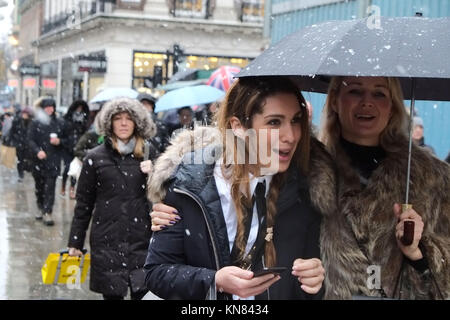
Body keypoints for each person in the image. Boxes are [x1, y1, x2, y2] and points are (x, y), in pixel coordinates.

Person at [144, 76, 327, 300]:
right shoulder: (190, 184)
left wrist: (314, 281)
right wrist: (214, 281)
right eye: (274, 122)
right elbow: (157, 272)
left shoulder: (304, 191)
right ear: (238, 127)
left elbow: (301, 289)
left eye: (296, 120)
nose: (291, 136)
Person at [318, 76, 449, 299]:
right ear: (334, 101)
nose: (367, 102)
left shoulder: (432, 179)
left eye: (379, 93)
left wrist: (417, 252)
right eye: (355, 91)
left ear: (392, 107)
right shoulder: (309, 171)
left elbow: (443, 283)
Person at [67, 97, 156, 300]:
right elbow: (84, 204)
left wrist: (156, 173)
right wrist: (75, 241)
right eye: (118, 118)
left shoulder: (150, 155)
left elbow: (166, 198)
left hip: (142, 239)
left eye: (128, 118)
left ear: (137, 123)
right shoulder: (94, 158)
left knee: (143, 292)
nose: (123, 123)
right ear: (109, 123)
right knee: (112, 294)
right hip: (107, 239)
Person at [27, 98, 65, 226]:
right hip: (38, 161)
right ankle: (40, 206)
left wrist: (59, 141)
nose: (50, 109)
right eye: (47, 107)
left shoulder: (59, 122)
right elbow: (30, 140)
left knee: (50, 187)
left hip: (53, 161)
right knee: (40, 187)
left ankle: (48, 212)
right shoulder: (35, 123)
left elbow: (67, 139)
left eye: (52, 107)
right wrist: (37, 151)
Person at [60, 100, 90, 198]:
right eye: (78, 108)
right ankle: (63, 186)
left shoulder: (84, 121)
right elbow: (63, 133)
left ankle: (72, 188)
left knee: (75, 169)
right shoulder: (67, 119)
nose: (79, 110)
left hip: (78, 148)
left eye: (81, 108)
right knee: (67, 168)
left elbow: (85, 134)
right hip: (67, 148)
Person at [137, 93, 170, 157]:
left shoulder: (160, 124)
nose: (144, 107)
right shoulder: (134, 123)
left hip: (157, 160)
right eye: (142, 104)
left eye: (147, 104)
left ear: (152, 107)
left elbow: (166, 146)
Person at [9, 107, 33, 181]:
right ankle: (21, 174)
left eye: (26, 114)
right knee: (20, 160)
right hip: (19, 144)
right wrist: (14, 141)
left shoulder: (32, 122)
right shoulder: (17, 121)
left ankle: (26, 169)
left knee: (28, 159)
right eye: (24, 113)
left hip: (28, 145)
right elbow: (12, 132)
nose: (24, 115)